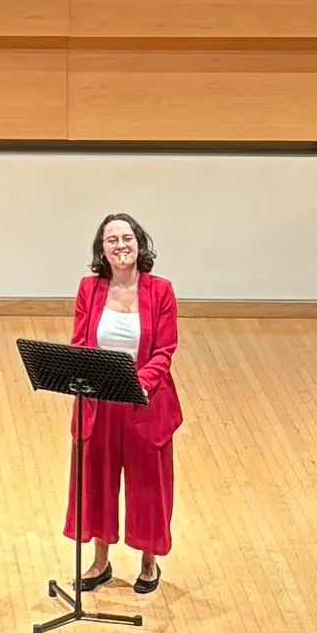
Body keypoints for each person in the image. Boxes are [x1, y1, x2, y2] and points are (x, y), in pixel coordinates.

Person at [65, 210, 183, 593]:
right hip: (100, 400)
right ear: (102, 249)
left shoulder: (160, 290)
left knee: (148, 485)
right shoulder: (90, 289)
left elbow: (164, 349)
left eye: (127, 238)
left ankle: (148, 564)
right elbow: (81, 342)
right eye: (112, 240)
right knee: (96, 481)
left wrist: (140, 384)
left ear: (139, 243)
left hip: (143, 402)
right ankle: (100, 562)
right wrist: (97, 379)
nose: (121, 246)